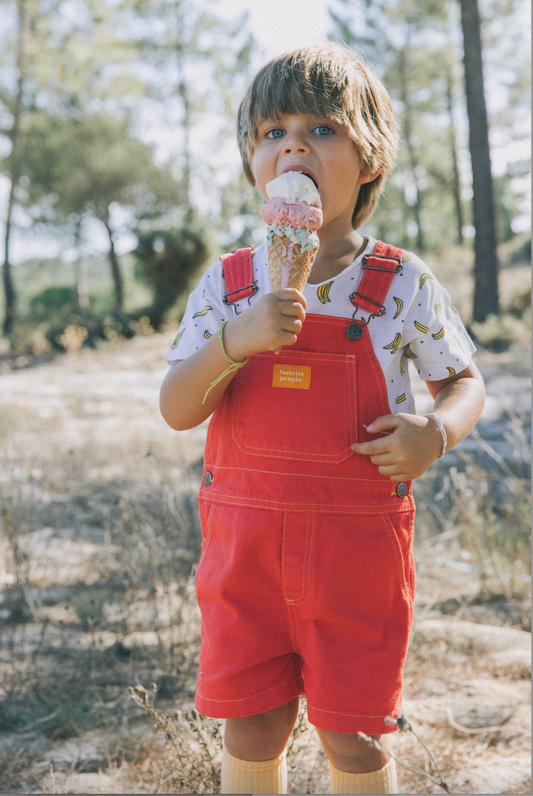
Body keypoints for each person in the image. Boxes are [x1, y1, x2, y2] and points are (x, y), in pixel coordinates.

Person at [160, 43, 485, 795]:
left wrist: (434, 432)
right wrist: (233, 343)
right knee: (253, 720)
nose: (294, 145)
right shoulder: (228, 285)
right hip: (245, 551)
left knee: (355, 732)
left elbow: (463, 381)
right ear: (252, 165)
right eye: (272, 132)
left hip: (355, 555)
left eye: (322, 130)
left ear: (369, 159)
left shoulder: (398, 281)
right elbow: (178, 408)